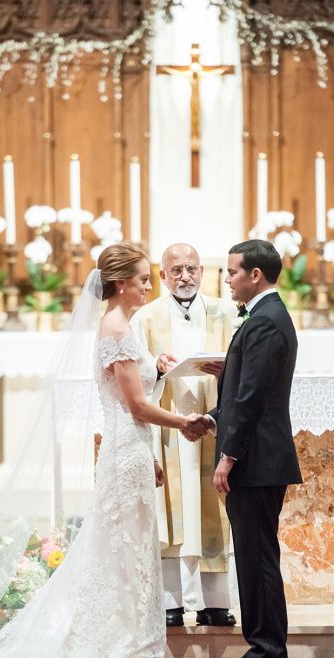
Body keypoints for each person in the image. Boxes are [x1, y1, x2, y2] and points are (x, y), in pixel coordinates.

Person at [0, 244, 196, 658]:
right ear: (120, 283)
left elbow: (128, 406)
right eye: (143, 279)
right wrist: (185, 422)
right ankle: (118, 645)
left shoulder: (122, 327)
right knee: (120, 551)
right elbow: (135, 405)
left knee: (126, 551)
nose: (150, 287)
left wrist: (150, 443)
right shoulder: (116, 330)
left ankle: (131, 642)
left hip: (131, 451)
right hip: (124, 454)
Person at [185, 239, 302, 658]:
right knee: (254, 558)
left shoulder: (266, 321)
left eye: (232, 271)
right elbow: (247, 388)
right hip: (258, 459)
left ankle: (266, 653)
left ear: (255, 274)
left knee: (258, 560)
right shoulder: (264, 316)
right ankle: (265, 652)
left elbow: (253, 399)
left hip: (256, 461)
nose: (227, 280)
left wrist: (228, 456)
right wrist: (215, 417)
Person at [131, 243, 236, 628]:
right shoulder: (145, 318)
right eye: (176, 270)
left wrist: (228, 370)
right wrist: (156, 368)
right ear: (162, 276)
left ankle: (215, 602)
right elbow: (134, 375)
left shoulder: (227, 313)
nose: (185, 276)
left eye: (192, 269)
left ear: (203, 273)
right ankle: (171, 602)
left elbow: (245, 365)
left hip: (214, 423)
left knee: (212, 511)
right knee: (171, 513)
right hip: (169, 427)